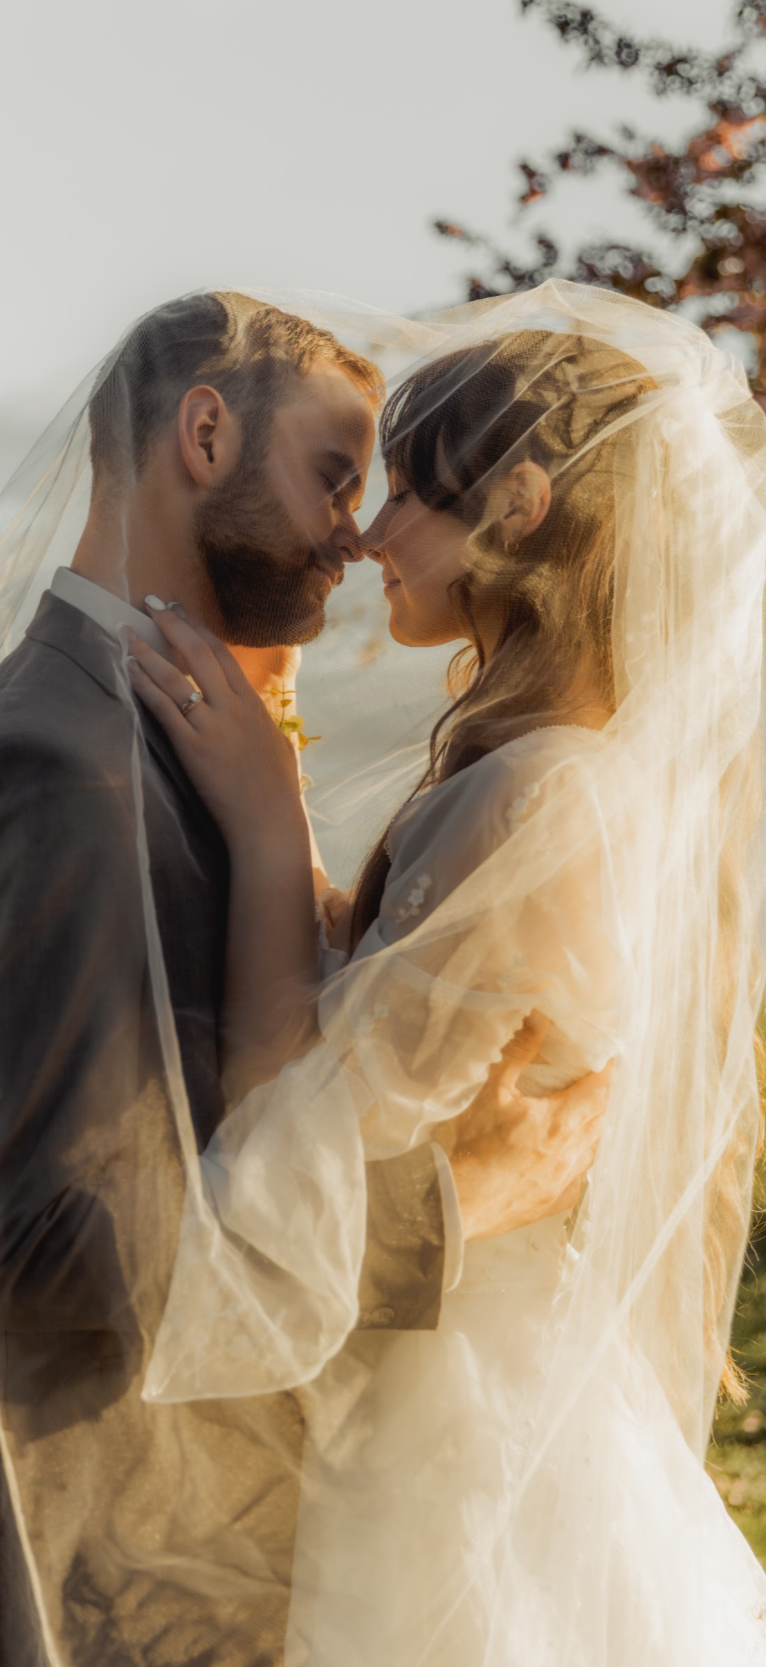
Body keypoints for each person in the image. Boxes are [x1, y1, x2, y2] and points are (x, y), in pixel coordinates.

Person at [132, 283, 766, 1664]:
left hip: (467, 1471)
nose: (362, 531)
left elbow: (290, 1143)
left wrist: (260, 813)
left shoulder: (545, 795)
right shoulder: (537, 775)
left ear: (517, 506)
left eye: (406, 485)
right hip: (461, 1415)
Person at [0, 289, 607, 1667]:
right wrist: (452, 1206)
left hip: (242, 1560)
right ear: (203, 433)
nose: (356, 525)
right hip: (103, 1577)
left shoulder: (167, 737)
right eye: (337, 475)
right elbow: (50, 1239)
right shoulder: (69, 764)